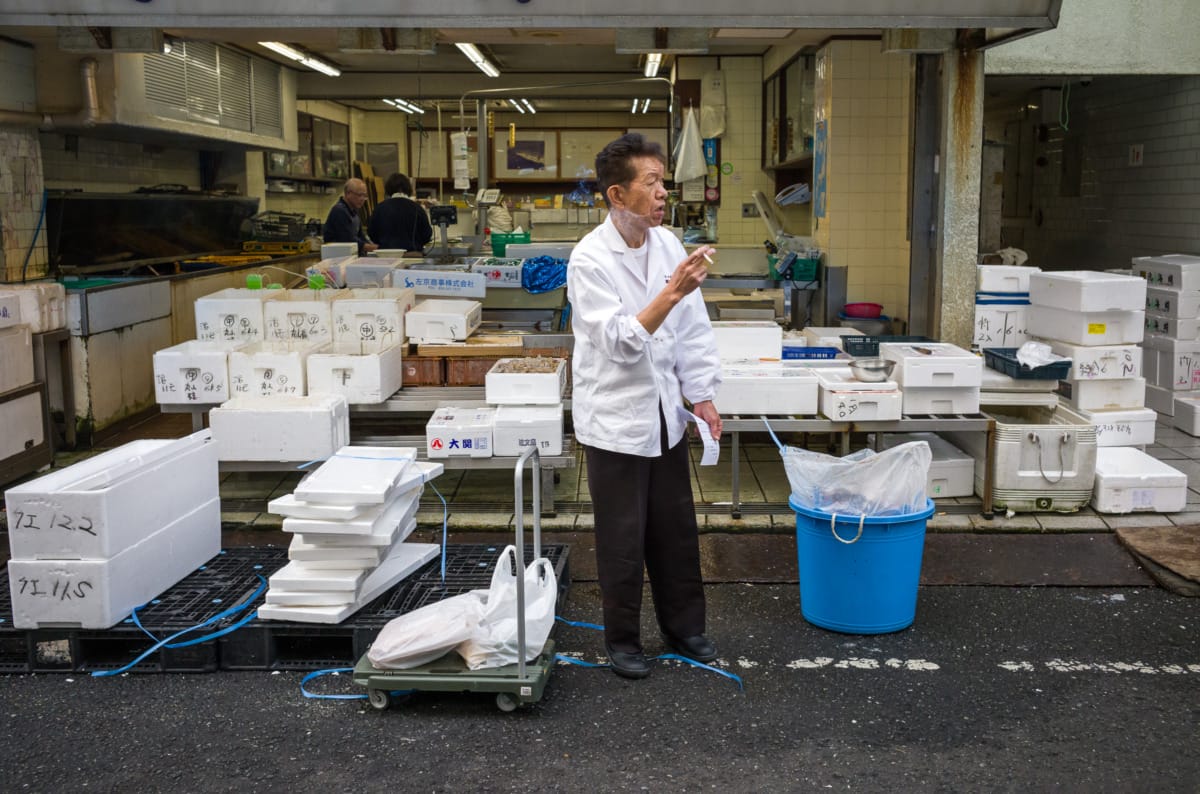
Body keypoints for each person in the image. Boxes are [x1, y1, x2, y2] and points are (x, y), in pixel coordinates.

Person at [567, 132, 722, 680]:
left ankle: (685, 628)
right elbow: (618, 341)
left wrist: (700, 394)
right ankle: (624, 640)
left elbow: (693, 330)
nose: (662, 192)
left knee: (675, 528)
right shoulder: (589, 260)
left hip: (664, 415)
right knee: (623, 537)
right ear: (617, 194)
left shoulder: (669, 245)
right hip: (614, 421)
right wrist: (671, 292)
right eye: (651, 182)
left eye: (663, 181)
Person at [367, 172, 434, 252]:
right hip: (412, 255)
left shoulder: (379, 208)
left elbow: (371, 233)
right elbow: (427, 235)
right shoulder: (417, 208)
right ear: (408, 188)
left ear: (388, 188)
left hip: (386, 256)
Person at [322, 178, 377, 255]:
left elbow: (360, 236)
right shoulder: (339, 211)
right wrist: (372, 248)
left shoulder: (354, 211)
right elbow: (348, 239)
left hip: (350, 256)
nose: (362, 199)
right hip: (337, 258)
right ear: (348, 193)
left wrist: (373, 246)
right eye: (359, 195)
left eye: (364, 195)